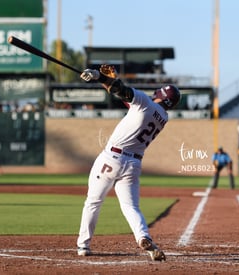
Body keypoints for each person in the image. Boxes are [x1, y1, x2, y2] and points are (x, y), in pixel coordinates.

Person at [76, 65, 181, 261]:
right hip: (133, 165)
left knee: (93, 202)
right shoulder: (163, 117)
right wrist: (107, 81)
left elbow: (121, 91)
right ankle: (143, 236)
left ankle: (83, 245)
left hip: (111, 158)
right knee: (131, 207)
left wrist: (98, 76)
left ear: (160, 94)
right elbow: (126, 99)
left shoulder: (145, 102)